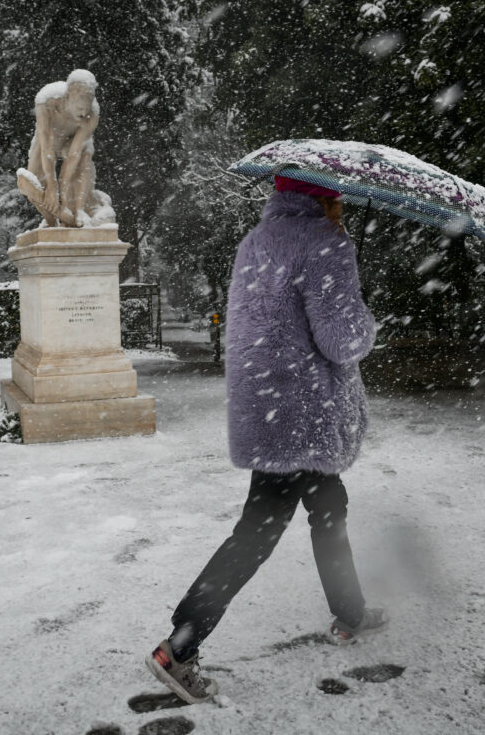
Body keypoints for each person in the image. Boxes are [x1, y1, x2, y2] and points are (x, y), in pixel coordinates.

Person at [145, 175, 386, 704]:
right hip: (306, 413)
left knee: (329, 508)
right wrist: (365, 319)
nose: (342, 204)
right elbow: (342, 341)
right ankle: (180, 645)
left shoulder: (256, 241)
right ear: (326, 196)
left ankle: (350, 612)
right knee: (259, 531)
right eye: (338, 197)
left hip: (271, 406)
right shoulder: (326, 243)